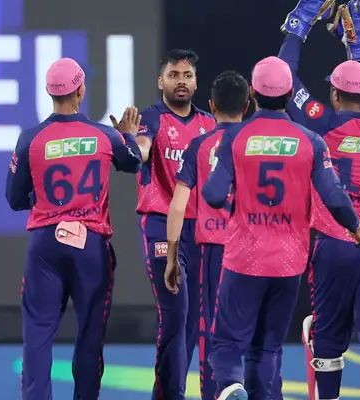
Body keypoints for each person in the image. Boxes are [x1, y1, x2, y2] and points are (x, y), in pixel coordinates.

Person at [203, 56, 360, 400]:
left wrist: (237, 191)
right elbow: (334, 197)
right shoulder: (311, 141)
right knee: (267, 347)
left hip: (244, 258)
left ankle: (231, 386)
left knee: (227, 342)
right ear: (290, 93)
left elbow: (214, 194)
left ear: (252, 94)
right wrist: (356, 226)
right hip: (289, 262)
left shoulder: (235, 138)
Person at [279, 1, 360, 398]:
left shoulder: (321, 122)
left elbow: (284, 78)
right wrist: (359, 43)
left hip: (334, 242)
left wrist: (299, 23)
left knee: (329, 337)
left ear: (334, 93)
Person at [5, 57, 142, 400]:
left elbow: (14, 198)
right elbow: (133, 162)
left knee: (37, 336)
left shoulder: (30, 139)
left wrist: (42, 200)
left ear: (48, 92)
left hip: (45, 247)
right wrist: (127, 134)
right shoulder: (105, 135)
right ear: (81, 90)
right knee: (90, 335)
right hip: (90, 247)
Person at [129, 49, 216, 399]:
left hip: (202, 231)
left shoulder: (209, 124)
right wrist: (131, 144)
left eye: (187, 75)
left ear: (195, 83)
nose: (181, 81)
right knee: (175, 315)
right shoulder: (151, 118)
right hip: (162, 227)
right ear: (160, 81)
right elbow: (142, 149)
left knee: (195, 322)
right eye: (174, 75)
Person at [164, 70, 250, 400]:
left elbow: (177, 206)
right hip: (255, 250)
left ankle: (221, 391)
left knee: (214, 330)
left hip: (214, 250)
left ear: (211, 105)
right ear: (247, 105)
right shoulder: (256, 143)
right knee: (255, 333)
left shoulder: (199, 146)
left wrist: (173, 258)